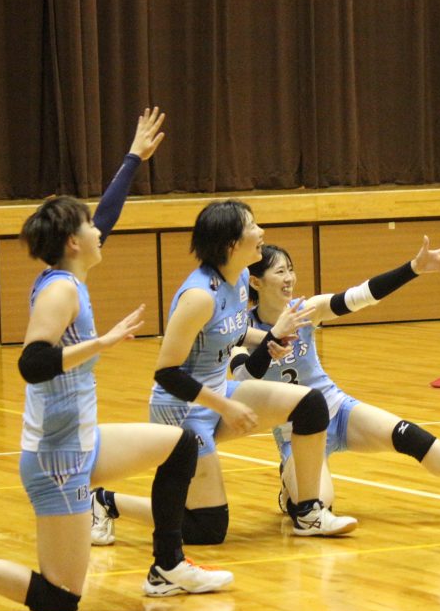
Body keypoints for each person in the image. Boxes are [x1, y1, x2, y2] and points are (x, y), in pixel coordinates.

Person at [0, 109, 235, 611]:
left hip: (81, 442)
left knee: (180, 444)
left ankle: (167, 566)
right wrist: (101, 342)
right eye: (89, 227)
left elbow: (107, 217)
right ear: (74, 242)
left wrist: (133, 158)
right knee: (60, 598)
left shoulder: (71, 273)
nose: (100, 231)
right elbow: (33, 363)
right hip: (57, 460)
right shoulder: (60, 290)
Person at [90, 199, 357, 549]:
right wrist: (225, 407)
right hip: (183, 409)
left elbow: (232, 330)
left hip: (219, 392)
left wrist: (270, 339)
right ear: (231, 243)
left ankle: (308, 512)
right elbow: (166, 373)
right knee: (208, 529)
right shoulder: (199, 297)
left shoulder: (241, 278)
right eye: (252, 226)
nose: (261, 232)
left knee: (310, 404)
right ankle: (105, 502)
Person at [237, 239, 440, 521]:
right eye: (280, 272)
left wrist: (414, 268)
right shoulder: (242, 329)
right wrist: (270, 342)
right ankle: (290, 487)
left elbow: (361, 295)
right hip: (295, 433)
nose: (289, 278)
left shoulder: (306, 310)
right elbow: (243, 378)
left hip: (336, 409)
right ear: (256, 282)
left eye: (291, 269)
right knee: (317, 506)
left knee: (407, 434)